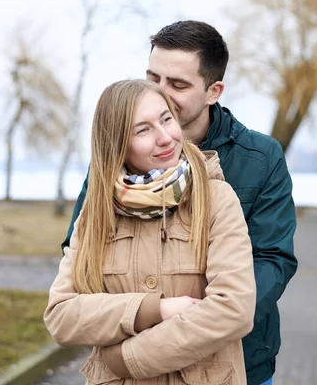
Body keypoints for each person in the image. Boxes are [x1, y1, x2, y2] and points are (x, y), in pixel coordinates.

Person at [62, 21, 298, 385]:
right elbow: (80, 260)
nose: (158, 91)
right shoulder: (111, 165)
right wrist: (147, 313)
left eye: (178, 84)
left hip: (237, 361)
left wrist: (198, 322)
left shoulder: (260, 158)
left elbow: (271, 260)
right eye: (153, 76)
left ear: (213, 91)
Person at [45, 79, 256, 384]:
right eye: (143, 130)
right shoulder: (97, 213)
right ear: (117, 144)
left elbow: (233, 308)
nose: (165, 137)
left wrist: (131, 358)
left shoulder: (216, 199)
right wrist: (155, 309)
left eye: (166, 119)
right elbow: (62, 316)